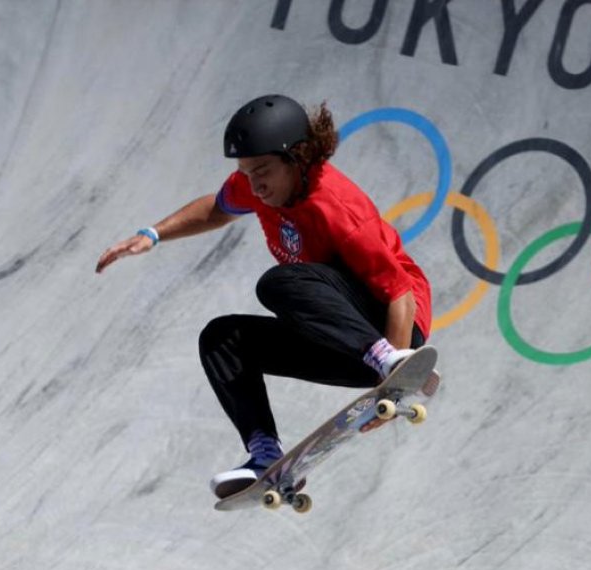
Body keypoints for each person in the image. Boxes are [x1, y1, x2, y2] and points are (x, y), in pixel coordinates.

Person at [95, 94, 433, 498]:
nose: (254, 184)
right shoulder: (256, 186)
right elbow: (217, 210)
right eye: (245, 172)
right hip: (346, 342)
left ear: (299, 157)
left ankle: (382, 357)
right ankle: (263, 454)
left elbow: (399, 293)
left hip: (392, 325)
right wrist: (152, 235)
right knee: (221, 338)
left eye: (262, 171)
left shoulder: (339, 207)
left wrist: (391, 382)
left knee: (279, 283)